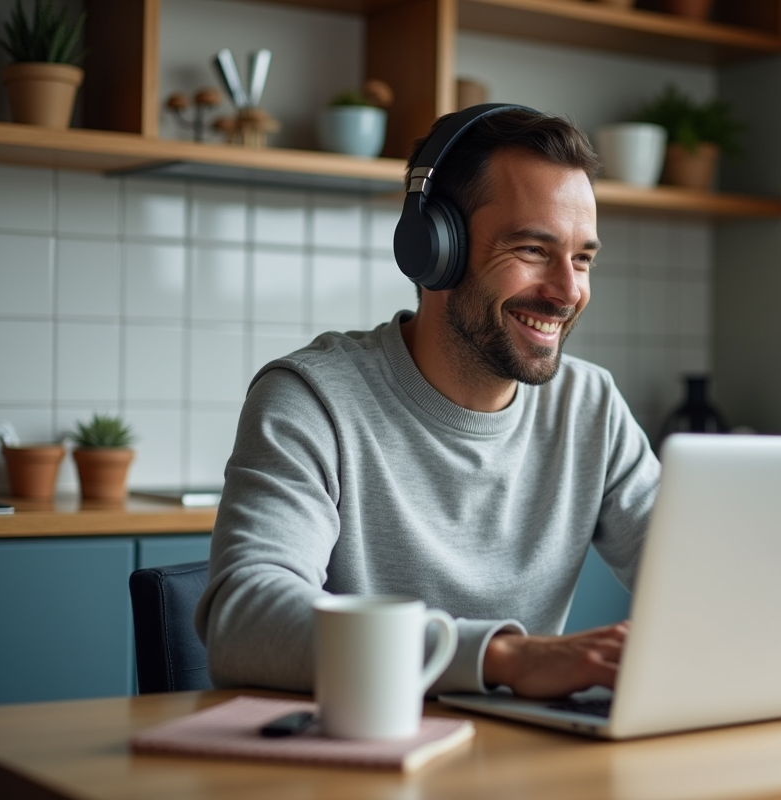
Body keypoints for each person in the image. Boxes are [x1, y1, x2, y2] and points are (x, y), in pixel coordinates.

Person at [195, 106, 660, 700]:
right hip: (356, 767)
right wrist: (505, 657)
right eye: (532, 250)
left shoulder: (590, 406)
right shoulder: (313, 400)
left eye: (583, 258)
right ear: (434, 249)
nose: (568, 291)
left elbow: (700, 578)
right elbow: (244, 623)